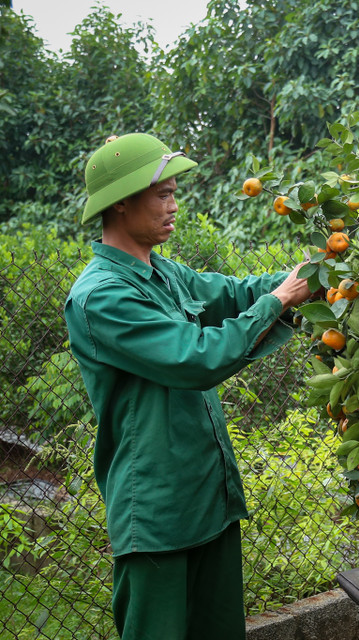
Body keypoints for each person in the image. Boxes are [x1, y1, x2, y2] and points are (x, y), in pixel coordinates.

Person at [64, 133, 313, 638]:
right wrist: (278, 302)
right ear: (122, 204)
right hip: (158, 514)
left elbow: (228, 292)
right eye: (163, 194)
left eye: (174, 192)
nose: (174, 205)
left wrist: (305, 277)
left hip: (208, 498)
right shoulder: (102, 297)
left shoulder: (162, 272)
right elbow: (196, 358)